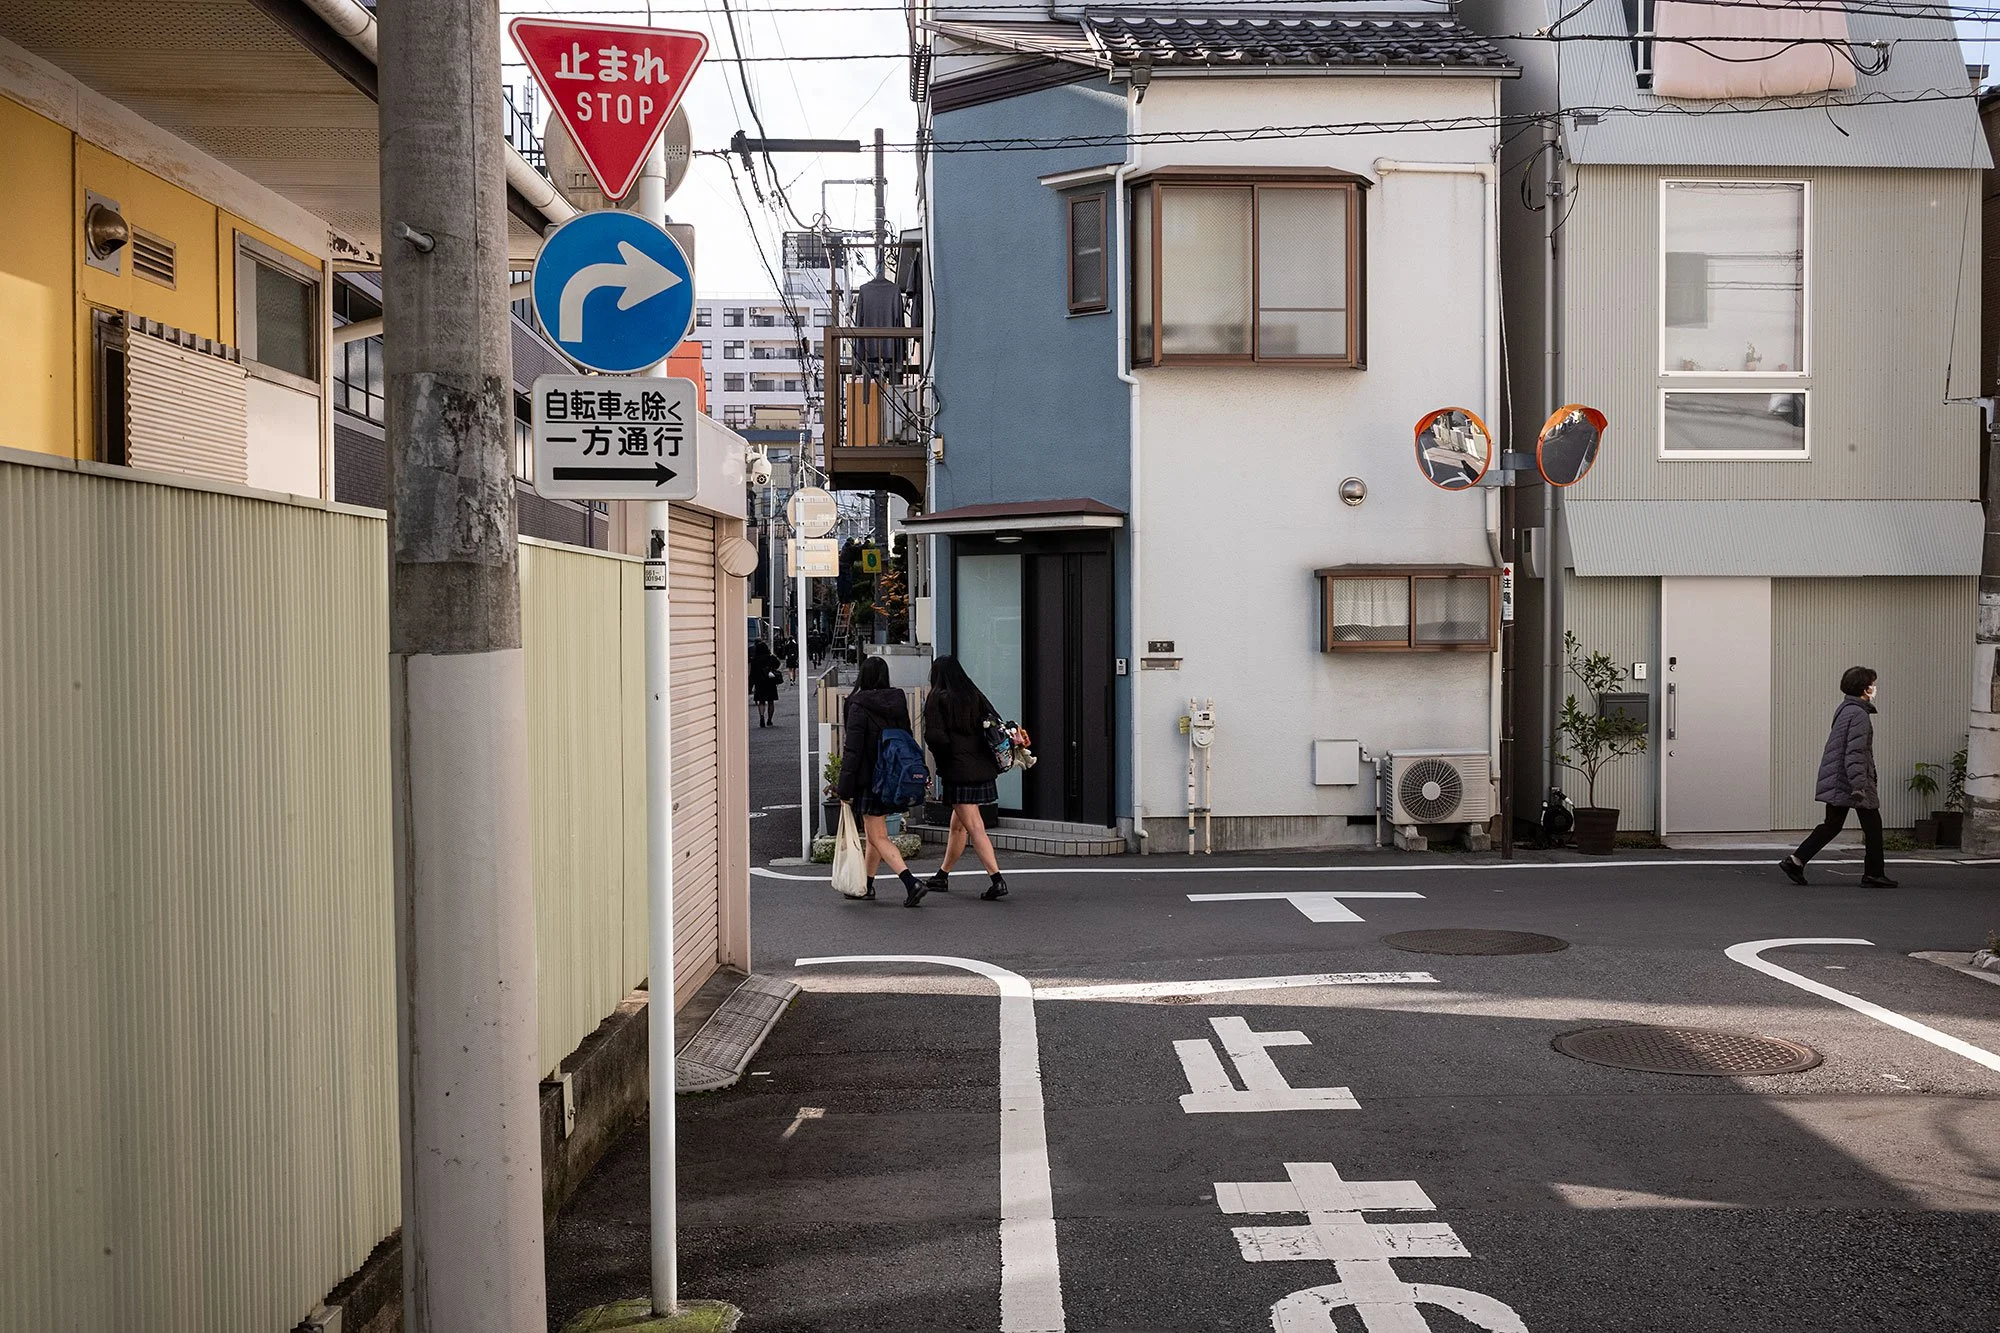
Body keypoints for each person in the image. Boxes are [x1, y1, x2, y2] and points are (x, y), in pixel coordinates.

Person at [1781, 666, 1898, 888]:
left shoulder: (1845, 709)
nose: (1875, 688)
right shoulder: (1859, 714)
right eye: (1872, 684)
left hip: (1839, 778)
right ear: (1865, 688)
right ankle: (1873, 874)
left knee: (1832, 825)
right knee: (1873, 827)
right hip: (1852, 780)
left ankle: (1796, 861)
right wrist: (1859, 785)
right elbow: (1855, 752)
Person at [837, 655, 929, 905]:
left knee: (878, 836)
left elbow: (853, 751)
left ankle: (911, 882)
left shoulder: (858, 704)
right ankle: (866, 885)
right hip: (893, 777)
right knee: (874, 834)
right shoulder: (897, 702)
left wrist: (844, 788)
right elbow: (907, 739)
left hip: (870, 780)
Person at [921, 655, 1010, 901]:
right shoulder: (973, 694)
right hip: (982, 768)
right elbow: (996, 722)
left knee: (974, 826)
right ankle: (942, 875)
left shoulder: (937, 698)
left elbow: (936, 738)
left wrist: (943, 761)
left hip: (958, 772)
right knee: (958, 825)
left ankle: (997, 879)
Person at [750, 641, 781, 727]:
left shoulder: (755, 660)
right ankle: (769, 720)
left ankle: (761, 717)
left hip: (759, 682)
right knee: (771, 701)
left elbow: (752, 673)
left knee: (761, 701)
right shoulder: (770, 658)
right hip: (770, 681)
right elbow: (777, 664)